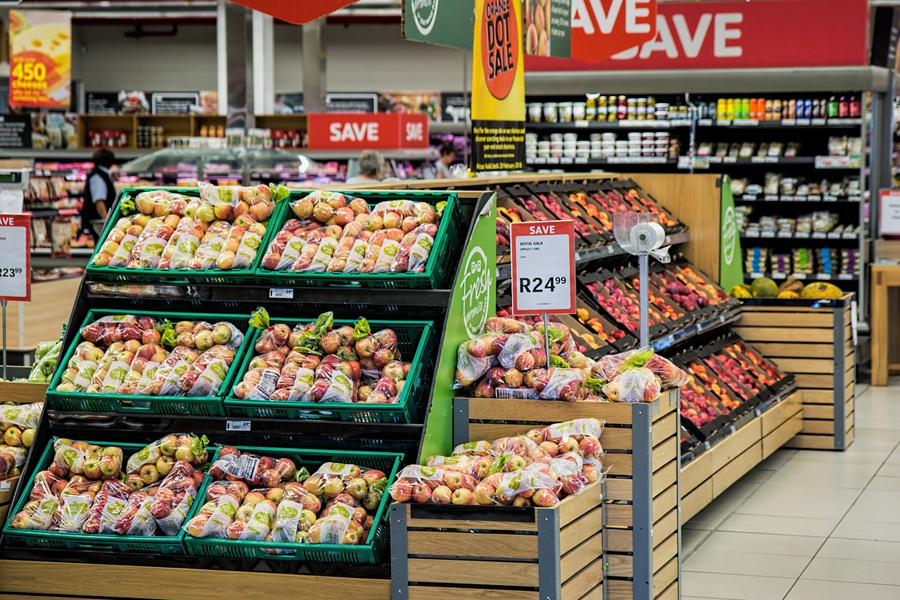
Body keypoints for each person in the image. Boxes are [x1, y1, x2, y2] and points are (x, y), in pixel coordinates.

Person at [81, 148, 116, 241]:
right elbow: (99, 201)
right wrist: (106, 222)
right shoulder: (98, 176)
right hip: (99, 225)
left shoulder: (102, 174)